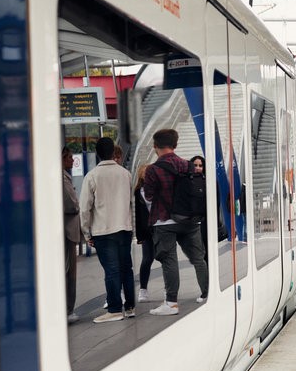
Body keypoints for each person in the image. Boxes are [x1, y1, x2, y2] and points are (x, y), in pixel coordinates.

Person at [144, 129, 208, 315]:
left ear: (155, 146)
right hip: (190, 220)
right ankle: (206, 294)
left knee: (169, 260)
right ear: (176, 145)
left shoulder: (153, 170)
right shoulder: (187, 165)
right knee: (198, 258)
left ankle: (171, 303)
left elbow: (148, 196)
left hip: (164, 221)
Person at [79, 137, 136, 323]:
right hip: (124, 228)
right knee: (126, 268)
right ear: (114, 152)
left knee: (111, 271)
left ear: (97, 153)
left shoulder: (92, 176)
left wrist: (87, 233)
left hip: (103, 231)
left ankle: (114, 309)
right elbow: (131, 203)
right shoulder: (125, 174)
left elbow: (85, 208)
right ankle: (130, 306)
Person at [62, 147, 80, 324]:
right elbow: (72, 204)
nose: (73, 161)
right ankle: (68, 309)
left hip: (65, 230)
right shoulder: (62, 178)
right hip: (67, 231)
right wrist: (78, 206)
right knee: (70, 271)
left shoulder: (63, 176)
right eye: (70, 157)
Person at [134, 164, 154, 303]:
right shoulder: (138, 192)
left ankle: (168, 289)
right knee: (147, 259)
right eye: (145, 173)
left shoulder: (158, 188)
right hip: (146, 230)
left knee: (165, 258)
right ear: (141, 175)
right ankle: (143, 289)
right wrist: (139, 235)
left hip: (160, 227)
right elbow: (138, 215)